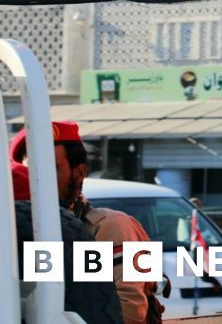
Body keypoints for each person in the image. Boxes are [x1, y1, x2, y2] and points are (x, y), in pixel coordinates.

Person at [35, 120, 163, 324]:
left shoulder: (111, 227)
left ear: (79, 172)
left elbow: (130, 313)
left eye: (51, 170)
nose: (37, 180)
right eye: (29, 171)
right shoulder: (21, 232)